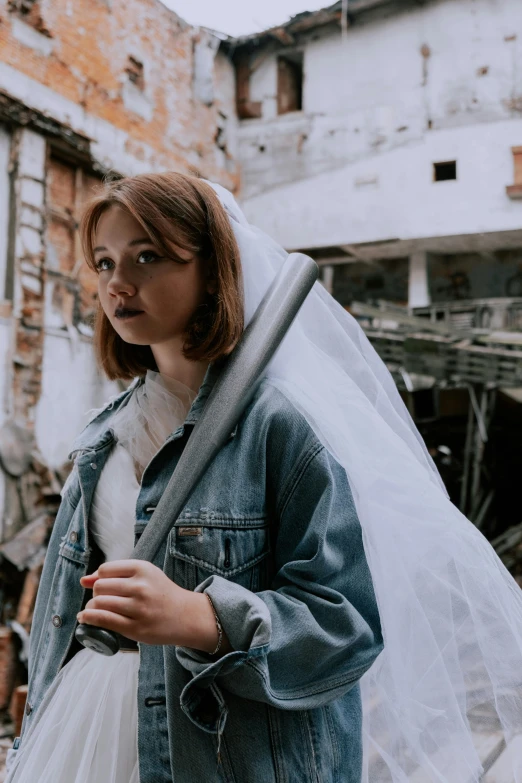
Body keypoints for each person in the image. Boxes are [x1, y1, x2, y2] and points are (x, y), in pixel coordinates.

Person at [5, 172, 522, 783]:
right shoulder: (101, 439)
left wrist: (200, 617)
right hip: (92, 727)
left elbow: (346, 624)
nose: (118, 283)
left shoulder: (284, 429)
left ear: (215, 269)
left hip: (229, 751)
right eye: (103, 262)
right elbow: (57, 627)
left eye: (147, 256)